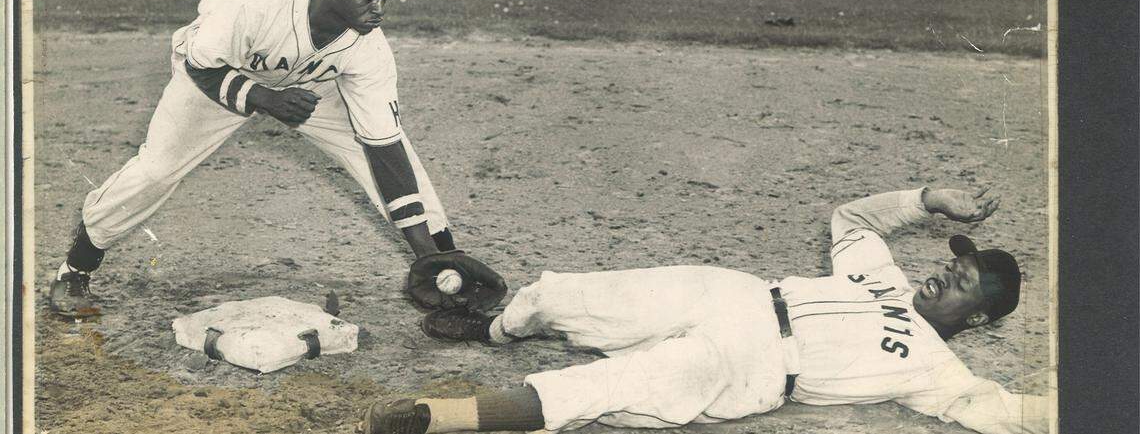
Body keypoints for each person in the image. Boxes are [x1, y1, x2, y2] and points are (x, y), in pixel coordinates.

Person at [49, 0, 499, 317]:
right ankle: (76, 268)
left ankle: (444, 264)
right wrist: (263, 98)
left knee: (396, 157)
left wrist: (425, 257)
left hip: (308, 91)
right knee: (157, 170)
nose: (379, 8)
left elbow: (384, 150)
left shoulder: (369, 48)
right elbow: (201, 65)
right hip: (219, 77)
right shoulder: (255, 1)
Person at [358, 186, 1048, 434]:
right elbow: (852, 218)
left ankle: (433, 418)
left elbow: (1010, 412)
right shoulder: (884, 278)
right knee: (566, 294)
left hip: (750, 367)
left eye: (960, 284)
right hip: (735, 291)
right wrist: (928, 196)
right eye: (950, 266)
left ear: (979, 318)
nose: (941, 279)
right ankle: (497, 328)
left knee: (602, 388)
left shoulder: (940, 371)